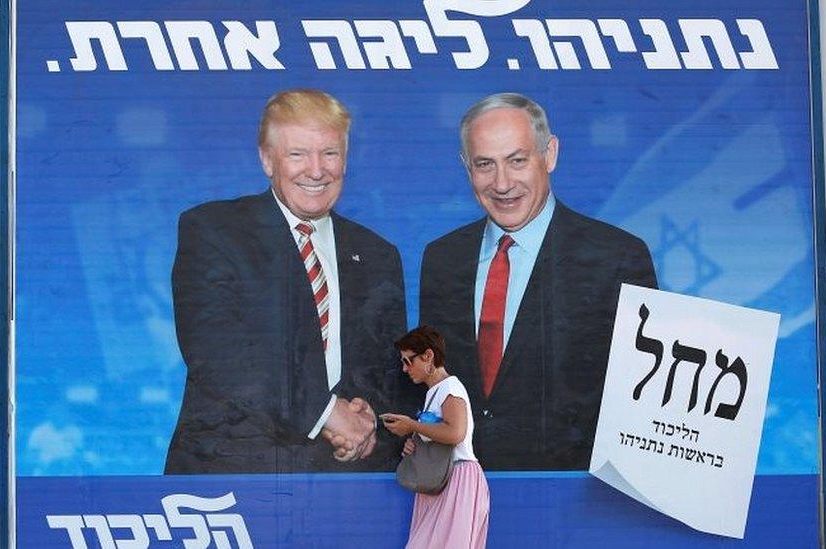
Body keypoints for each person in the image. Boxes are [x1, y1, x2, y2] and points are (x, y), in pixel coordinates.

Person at [165, 89, 413, 474]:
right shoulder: (214, 231)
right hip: (235, 480)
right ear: (267, 160)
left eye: (329, 153)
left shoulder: (378, 254)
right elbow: (219, 356)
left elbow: (390, 370)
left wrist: (369, 421)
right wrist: (327, 414)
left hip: (349, 483)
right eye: (297, 154)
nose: (316, 171)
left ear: (345, 159)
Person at [419, 93, 658, 471]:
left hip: (574, 497)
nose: (502, 183)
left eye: (517, 161)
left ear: (550, 154)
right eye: (485, 164)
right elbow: (433, 379)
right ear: (466, 167)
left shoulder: (617, 258)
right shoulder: (442, 258)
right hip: (460, 489)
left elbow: (644, 396)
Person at [382, 326, 490, 549]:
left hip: (457, 479)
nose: (404, 369)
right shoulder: (436, 392)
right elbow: (442, 436)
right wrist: (415, 444)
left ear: (428, 356)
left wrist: (412, 425)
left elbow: (455, 433)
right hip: (439, 482)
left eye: (408, 361)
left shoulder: (450, 387)